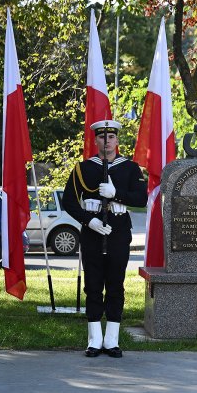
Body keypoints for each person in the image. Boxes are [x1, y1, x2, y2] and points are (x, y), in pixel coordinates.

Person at [62, 120, 146, 358]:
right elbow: (69, 201)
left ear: (117, 140)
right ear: (95, 140)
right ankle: (94, 340)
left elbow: (140, 199)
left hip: (118, 233)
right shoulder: (83, 168)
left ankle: (112, 340)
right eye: (102, 137)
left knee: (116, 285)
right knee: (94, 285)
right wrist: (89, 221)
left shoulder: (130, 168)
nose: (106, 141)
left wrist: (116, 194)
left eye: (111, 137)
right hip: (92, 233)